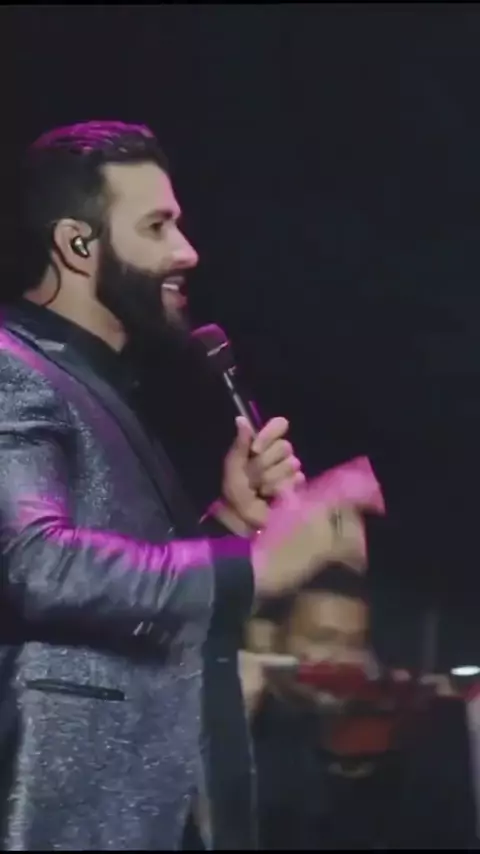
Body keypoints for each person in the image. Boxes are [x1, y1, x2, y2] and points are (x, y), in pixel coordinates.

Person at [0, 120, 384, 851]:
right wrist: (258, 564)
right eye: (157, 226)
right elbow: (34, 566)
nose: (187, 251)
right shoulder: (12, 366)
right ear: (77, 245)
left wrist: (228, 523)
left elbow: (122, 596)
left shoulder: (101, 385)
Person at [241, 567, 478, 850]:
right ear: (271, 639)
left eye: (355, 643)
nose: (343, 658)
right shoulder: (244, 725)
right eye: (321, 637)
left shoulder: (384, 736)